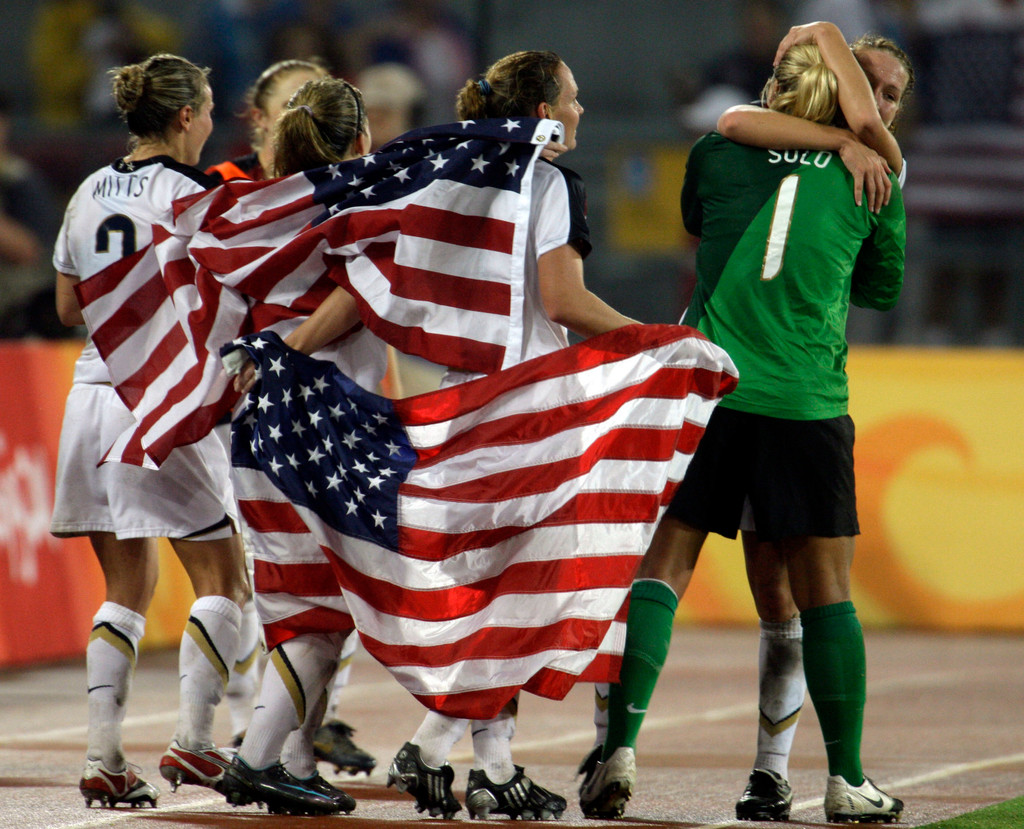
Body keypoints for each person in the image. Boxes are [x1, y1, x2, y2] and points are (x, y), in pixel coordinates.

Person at [579, 36, 907, 825]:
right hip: (804, 398)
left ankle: (618, 749)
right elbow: (885, 286)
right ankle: (846, 779)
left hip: (708, 388)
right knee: (822, 591)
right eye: (875, 91)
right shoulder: (877, 175)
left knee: (663, 566)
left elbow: (698, 216)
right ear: (847, 95)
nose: (885, 105)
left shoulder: (716, 150)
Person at [362, 49, 638, 822]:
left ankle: (492, 768)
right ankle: (427, 748)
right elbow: (564, 298)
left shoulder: (452, 175)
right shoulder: (547, 181)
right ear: (544, 111)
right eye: (573, 98)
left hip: (459, 402)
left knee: (491, 593)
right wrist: (650, 340)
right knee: (529, 599)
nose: (581, 111)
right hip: (527, 409)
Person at [50, 53, 247, 808]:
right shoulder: (193, 195)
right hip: (158, 399)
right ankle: (196, 743)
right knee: (223, 577)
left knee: (125, 586)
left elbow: (70, 309)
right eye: (204, 108)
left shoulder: (87, 190)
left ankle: (104, 754)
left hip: (90, 394)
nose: (207, 124)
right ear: (185, 117)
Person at [206, 59, 386, 779]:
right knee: (335, 605)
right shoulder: (361, 209)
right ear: (361, 135)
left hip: (263, 417)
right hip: (325, 414)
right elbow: (353, 297)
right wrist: (289, 344)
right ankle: (259, 759)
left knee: (292, 600)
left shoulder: (250, 207)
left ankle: (293, 760)